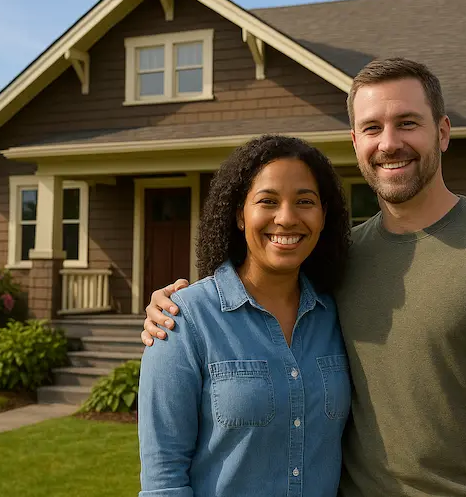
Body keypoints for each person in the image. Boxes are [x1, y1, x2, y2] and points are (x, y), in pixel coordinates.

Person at [142, 58, 466, 497]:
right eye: (371, 128)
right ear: (354, 141)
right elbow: (258, 276)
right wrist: (175, 305)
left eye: (407, 123)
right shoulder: (341, 259)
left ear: (442, 132)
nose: (389, 143)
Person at [136, 134, 353, 497]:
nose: (286, 218)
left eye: (305, 201)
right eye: (267, 201)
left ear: (323, 215)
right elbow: (163, 480)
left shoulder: (338, 314)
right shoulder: (183, 320)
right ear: (239, 214)